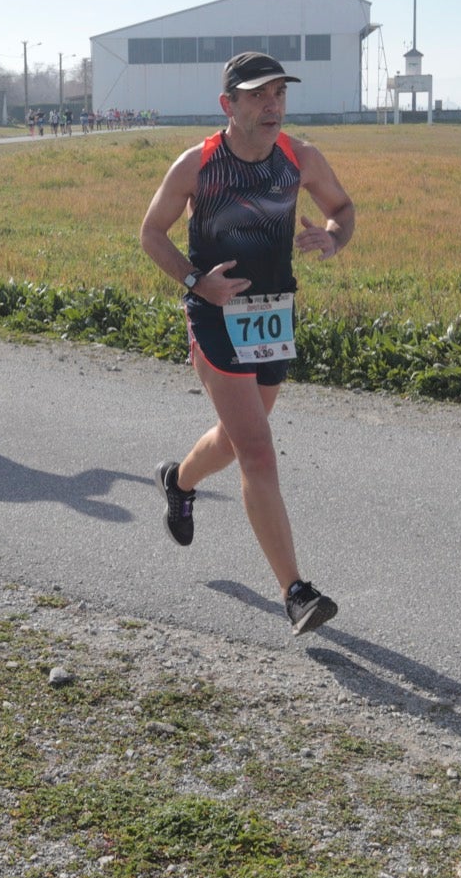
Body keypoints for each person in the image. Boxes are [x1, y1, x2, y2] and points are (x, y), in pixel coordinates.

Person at [139, 51, 356, 636]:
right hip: (214, 316)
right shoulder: (199, 165)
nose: (273, 106)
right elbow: (150, 233)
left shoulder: (299, 158)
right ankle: (296, 591)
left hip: (272, 317)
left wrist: (333, 239)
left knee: (237, 442)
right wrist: (195, 282)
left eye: (280, 94)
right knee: (258, 451)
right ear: (228, 105)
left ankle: (177, 481)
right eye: (259, 95)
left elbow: (342, 208)